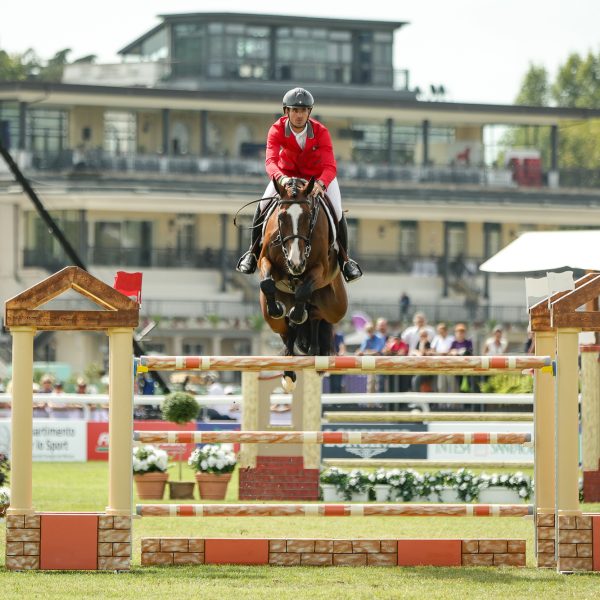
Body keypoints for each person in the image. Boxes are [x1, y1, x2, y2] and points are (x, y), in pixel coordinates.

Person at [236, 87, 362, 283]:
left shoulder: (321, 132)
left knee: (336, 210)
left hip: (317, 177)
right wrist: (281, 179)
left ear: (309, 112)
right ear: (286, 111)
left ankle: (346, 260)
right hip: (286, 176)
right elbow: (270, 161)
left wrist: (321, 183)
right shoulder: (277, 129)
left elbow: (330, 165)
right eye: (294, 110)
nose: (299, 115)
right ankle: (251, 254)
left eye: (303, 111)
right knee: (262, 205)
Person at [356, 323, 386, 393]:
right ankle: (370, 403)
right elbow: (361, 351)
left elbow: (377, 351)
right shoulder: (366, 339)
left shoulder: (379, 339)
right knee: (370, 383)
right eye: (368, 331)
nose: (369, 332)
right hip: (370, 364)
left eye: (371, 330)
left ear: (374, 330)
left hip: (380, 364)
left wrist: (365, 352)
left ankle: (380, 403)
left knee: (379, 384)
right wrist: (366, 352)